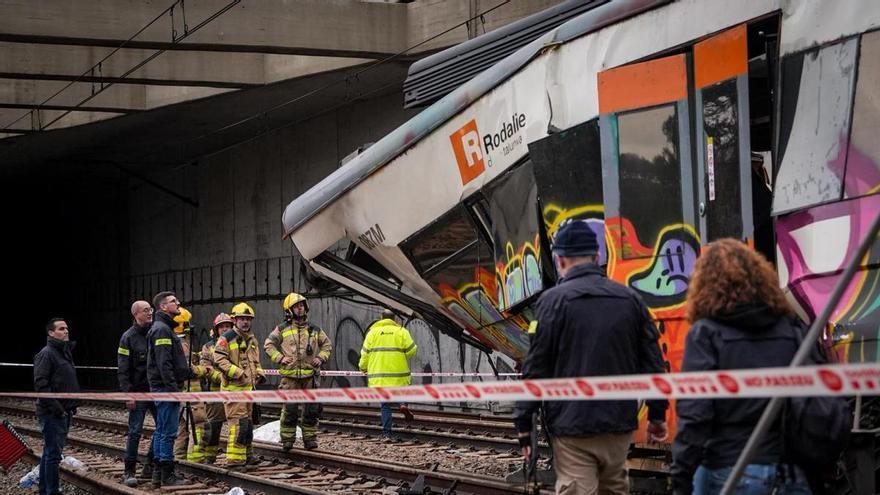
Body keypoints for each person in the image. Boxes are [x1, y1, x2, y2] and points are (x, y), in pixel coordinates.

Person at [513, 220, 668, 495]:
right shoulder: (629, 299)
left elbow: (536, 368)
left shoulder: (552, 302)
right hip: (618, 425)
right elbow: (653, 362)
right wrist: (657, 415)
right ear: (597, 257)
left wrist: (524, 423)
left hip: (572, 427)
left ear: (559, 260)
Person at [671, 239, 813, 494]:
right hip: (789, 471)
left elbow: (695, 416)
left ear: (703, 286)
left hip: (728, 468)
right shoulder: (791, 330)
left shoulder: (706, 335)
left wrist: (680, 477)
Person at [264, 293, 332, 450]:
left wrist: (321, 358)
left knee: (311, 410)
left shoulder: (315, 329)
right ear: (289, 310)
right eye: (296, 306)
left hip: (310, 377)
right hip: (290, 378)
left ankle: (310, 439)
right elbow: (269, 345)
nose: (299, 309)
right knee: (290, 409)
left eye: (301, 305)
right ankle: (288, 440)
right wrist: (280, 358)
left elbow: (327, 345)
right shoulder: (282, 329)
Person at [146, 291, 192, 487]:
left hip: (163, 387)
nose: (178, 303)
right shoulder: (162, 330)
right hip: (166, 389)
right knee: (168, 432)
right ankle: (167, 474)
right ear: (163, 307)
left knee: (162, 430)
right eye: (173, 301)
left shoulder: (163, 328)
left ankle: (158, 473)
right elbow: (163, 363)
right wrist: (173, 388)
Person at [214, 302, 265, 469]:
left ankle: (247, 456)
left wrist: (259, 372)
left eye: (248, 319)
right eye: (242, 319)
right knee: (238, 425)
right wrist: (237, 372)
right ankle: (235, 461)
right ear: (235, 320)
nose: (245, 322)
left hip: (249, 390)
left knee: (248, 424)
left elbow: (255, 361)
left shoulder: (251, 339)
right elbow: (219, 360)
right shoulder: (226, 339)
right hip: (233, 391)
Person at [34, 318, 80, 495]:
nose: (66, 331)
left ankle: (45, 489)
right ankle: (51, 491)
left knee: (51, 453)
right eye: (61, 329)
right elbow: (41, 385)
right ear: (51, 333)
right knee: (53, 455)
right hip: (52, 413)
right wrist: (58, 408)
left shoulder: (64, 352)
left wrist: (71, 405)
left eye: (67, 328)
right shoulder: (47, 354)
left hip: (63, 411)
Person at [358, 308, 417, 440]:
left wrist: (362, 367)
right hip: (399, 375)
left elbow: (364, 353)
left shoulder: (372, 333)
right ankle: (402, 404)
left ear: (381, 318)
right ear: (394, 319)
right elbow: (412, 351)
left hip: (379, 377)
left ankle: (387, 434)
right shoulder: (402, 331)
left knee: (385, 405)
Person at [117, 300, 157, 486]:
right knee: (135, 432)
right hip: (138, 392)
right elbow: (123, 369)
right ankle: (129, 471)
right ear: (136, 314)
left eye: (151, 309)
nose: (150, 313)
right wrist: (128, 394)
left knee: (163, 429)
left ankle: (150, 464)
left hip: (157, 391)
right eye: (145, 310)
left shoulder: (156, 332)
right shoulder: (128, 337)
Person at [171, 307, 211, 463]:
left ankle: (179, 460)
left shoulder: (173, 341)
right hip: (190, 395)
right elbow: (187, 369)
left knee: (181, 430)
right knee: (200, 427)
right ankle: (196, 461)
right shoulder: (182, 344)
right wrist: (204, 369)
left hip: (178, 394)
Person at [198, 313, 231, 464]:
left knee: (239, 425)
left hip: (235, 391)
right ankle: (209, 457)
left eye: (228, 326)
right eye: (222, 327)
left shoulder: (237, 342)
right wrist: (222, 377)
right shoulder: (208, 347)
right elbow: (206, 367)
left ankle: (240, 456)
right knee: (214, 426)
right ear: (216, 329)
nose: (225, 329)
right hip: (216, 391)